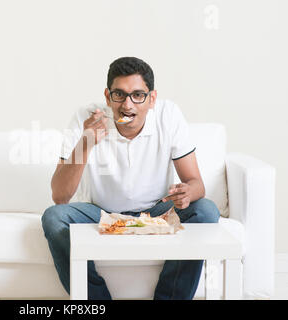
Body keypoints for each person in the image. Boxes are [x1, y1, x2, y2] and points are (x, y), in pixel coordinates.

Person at [41, 57, 220, 300]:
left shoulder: (169, 116)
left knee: (206, 211)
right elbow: (60, 197)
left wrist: (187, 193)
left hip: (157, 211)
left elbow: (197, 184)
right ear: (107, 96)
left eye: (138, 95)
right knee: (53, 218)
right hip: (101, 213)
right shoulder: (85, 119)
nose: (128, 105)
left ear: (152, 99)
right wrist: (86, 142)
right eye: (119, 95)